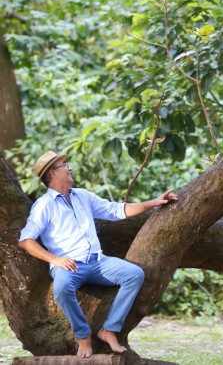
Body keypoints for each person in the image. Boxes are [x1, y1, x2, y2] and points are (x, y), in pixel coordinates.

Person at [18, 150, 178, 358]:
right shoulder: (44, 205)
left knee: (134, 274)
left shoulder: (83, 196)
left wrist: (153, 203)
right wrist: (55, 259)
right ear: (53, 174)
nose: (69, 167)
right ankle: (83, 336)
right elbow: (25, 240)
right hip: (69, 265)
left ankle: (109, 330)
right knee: (62, 287)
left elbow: (115, 211)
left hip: (97, 262)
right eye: (64, 165)